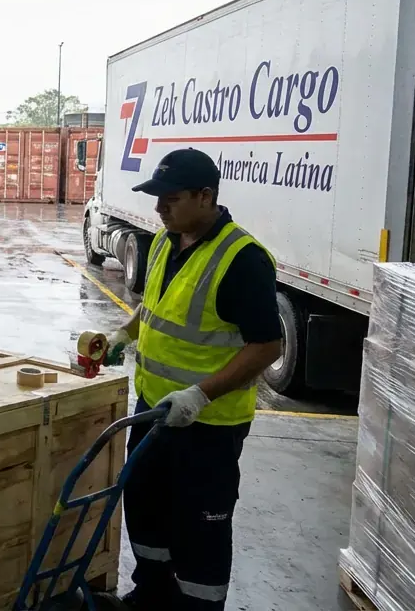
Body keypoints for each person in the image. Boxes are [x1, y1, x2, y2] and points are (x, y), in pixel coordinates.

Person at [92, 148, 281, 611]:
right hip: (154, 410)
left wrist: (200, 394)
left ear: (206, 197)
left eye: (170, 200)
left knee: (201, 527)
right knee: (145, 504)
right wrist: (124, 332)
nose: (159, 209)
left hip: (208, 427)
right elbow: (154, 307)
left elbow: (267, 345)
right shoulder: (163, 242)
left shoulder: (241, 259)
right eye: (157, 199)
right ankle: (151, 594)